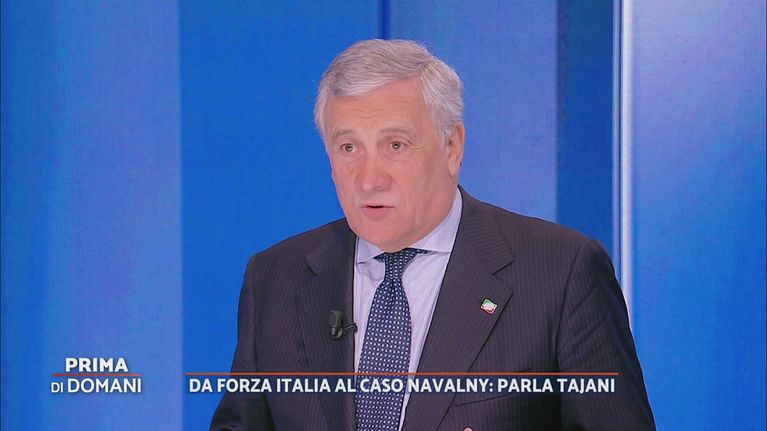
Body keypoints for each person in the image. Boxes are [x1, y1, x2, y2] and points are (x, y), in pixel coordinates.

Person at [210, 39, 655, 431]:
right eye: (349, 147)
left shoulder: (561, 272)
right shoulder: (276, 277)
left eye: (395, 145)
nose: (369, 179)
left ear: (452, 147)